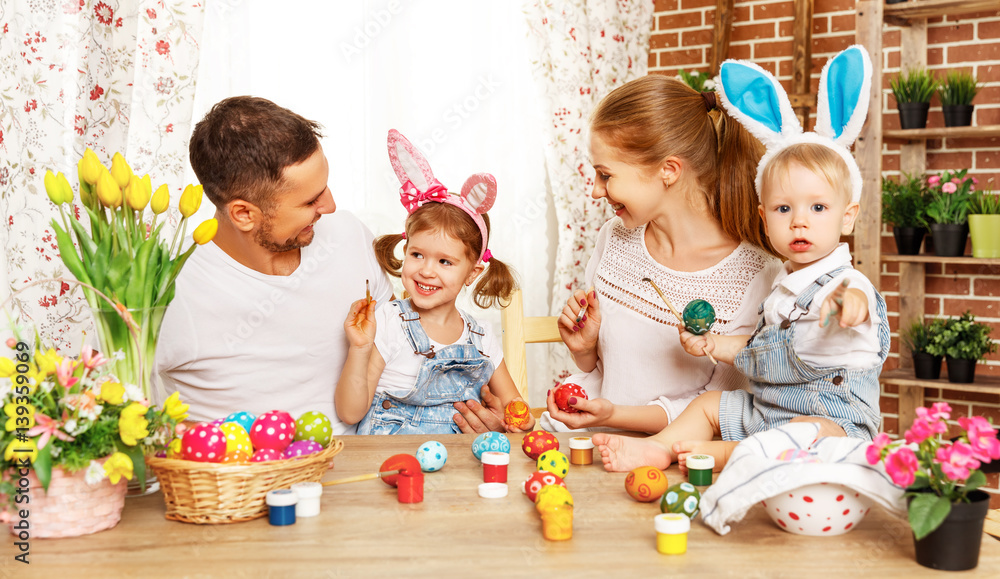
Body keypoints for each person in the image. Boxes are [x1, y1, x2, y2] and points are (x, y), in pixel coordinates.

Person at [594, 45, 886, 472]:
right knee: (712, 405)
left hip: (831, 424)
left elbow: (858, 315)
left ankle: (713, 455)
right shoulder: (784, 285)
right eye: (785, 210)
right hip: (766, 410)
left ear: (848, 217)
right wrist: (712, 344)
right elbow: (757, 351)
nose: (800, 223)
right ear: (765, 217)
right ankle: (659, 447)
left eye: (818, 209)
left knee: (804, 437)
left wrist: (851, 310)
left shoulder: (844, 285)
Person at [542, 74, 783, 435]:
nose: (595, 191)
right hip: (583, 443)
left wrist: (613, 416)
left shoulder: (756, 275)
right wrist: (585, 348)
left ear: (668, 170)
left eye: (606, 175)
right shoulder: (614, 239)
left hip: (666, 460)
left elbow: (715, 409)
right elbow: (604, 372)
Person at [154, 96, 394, 433]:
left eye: (324, 188)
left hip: (360, 470)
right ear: (244, 214)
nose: (330, 205)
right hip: (244, 481)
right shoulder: (166, 289)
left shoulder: (350, 235)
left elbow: (403, 347)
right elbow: (106, 410)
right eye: (310, 200)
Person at [334, 130, 532, 435]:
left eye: (444, 262)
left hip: (460, 470)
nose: (426, 270)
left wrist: (523, 421)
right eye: (417, 254)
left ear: (472, 273)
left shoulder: (482, 339)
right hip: (393, 464)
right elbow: (350, 412)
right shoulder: (388, 322)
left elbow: (514, 409)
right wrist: (360, 348)